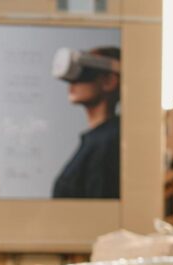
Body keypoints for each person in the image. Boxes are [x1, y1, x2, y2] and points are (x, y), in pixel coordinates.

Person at [51, 46, 121, 199]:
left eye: (83, 72)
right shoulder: (98, 140)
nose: (72, 82)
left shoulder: (110, 141)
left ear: (109, 81)